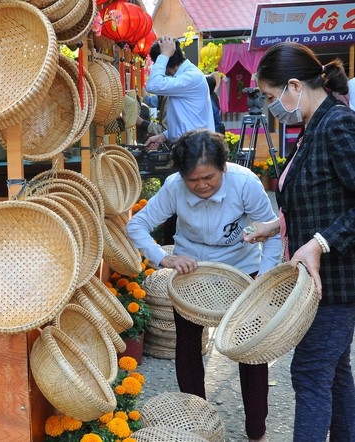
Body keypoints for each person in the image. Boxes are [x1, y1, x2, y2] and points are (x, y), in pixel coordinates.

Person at [127, 129, 281, 442]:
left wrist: (263, 278)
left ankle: (257, 432)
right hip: (193, 271)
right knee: (187, 344)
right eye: (192, 180)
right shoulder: (173, 187)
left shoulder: (246, 182)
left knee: (251, 348)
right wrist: (162, 257)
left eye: (208, 177)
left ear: (223, 168)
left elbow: (274, 233)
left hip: (242, 268)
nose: (201, 186)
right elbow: (137, 225)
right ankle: (195, 424)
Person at [243, 41, 355, 441]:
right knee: (334, 372)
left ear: (294, 85)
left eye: (273, 97)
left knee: (309, 372)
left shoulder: (337, 123)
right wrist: (274, 226)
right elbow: (322, 196)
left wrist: (320, 243)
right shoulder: (312, 126)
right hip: (316, 280)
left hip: (337, 280)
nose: (273, 106)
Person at [144, 36, 214, 149]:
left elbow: (153, 85)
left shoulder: (191, 76)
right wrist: (164, 136)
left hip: (195, 149)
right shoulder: (186, 76)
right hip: (192, 146)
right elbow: (187, 117)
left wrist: (164, 55)